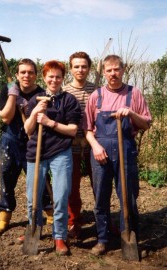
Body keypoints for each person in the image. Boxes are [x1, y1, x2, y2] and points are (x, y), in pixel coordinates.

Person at [83, 55, 152, 255]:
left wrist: (131, 113)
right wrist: (95, 146)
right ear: (103, 72)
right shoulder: (96, 96)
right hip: (101, 152)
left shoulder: (134, 93)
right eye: (109, 70)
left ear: (123, 70)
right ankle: (102, 239)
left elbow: (146, 124)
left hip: (126, 151)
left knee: (128, 198)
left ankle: (128, 236)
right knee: (101, 199)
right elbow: (87, 129)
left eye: (116, 69)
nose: (113, 73)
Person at [24, 60, 81, 255]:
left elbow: (73, 131)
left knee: (61, 196)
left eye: (58, 76)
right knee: (33, 198)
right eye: (50, 76)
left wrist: (49, 122)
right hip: (37, 153)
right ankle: (34, 230)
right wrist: (35, 114)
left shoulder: (69, 101)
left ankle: (59, 236)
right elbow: (28, 130)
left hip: (61, 153)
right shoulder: (35, 100)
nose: (54, 80)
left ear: (62, 78)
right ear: (44, 78)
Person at [0, 58, 46, 234]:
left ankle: (50, 213)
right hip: (11, 140)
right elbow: (6, 118)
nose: (26, 75)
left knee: (41, 179)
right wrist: (12, 95)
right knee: (7, 178)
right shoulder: (8, 89)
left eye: (30, 72)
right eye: (23, 72)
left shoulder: (42, 93)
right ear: (17, 74)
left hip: (33, 141)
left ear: (36, 75)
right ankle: (4, 217)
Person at [62, 52, 95, 238]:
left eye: (84, 66)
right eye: (76, 66)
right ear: (71, 69)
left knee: (99, 184)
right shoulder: (65, 91)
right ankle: (74, 221)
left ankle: (104, 220)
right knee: (72, 186)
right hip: (71, 144)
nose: (80, 70)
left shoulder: (97, 89)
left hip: (93, 144)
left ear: (89, 68)